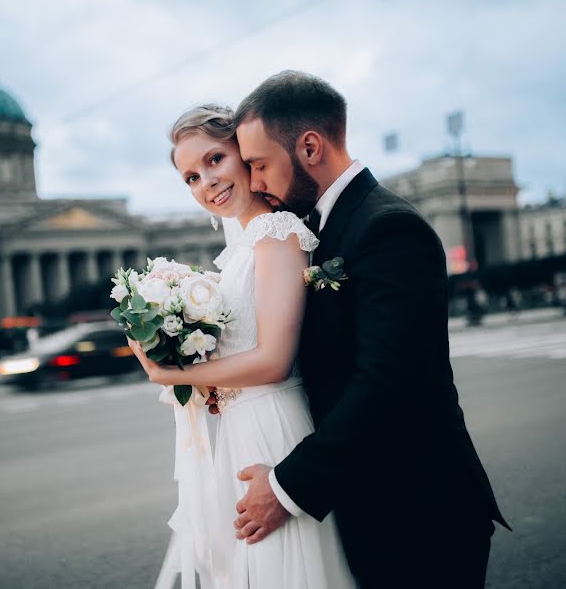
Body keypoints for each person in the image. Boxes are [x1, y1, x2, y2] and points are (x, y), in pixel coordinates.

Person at [227, 71, 508, 587]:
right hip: (367, 502)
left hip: (419, 513)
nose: (256, 182)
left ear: (309, 146)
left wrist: (286, 486)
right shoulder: (317, 227)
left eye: (260, 164)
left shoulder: (388, 228)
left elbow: (388, 384)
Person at [129, 104, 355, 588]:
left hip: (273, 426)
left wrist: (172, 375)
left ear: (244, 154)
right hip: (235, 430)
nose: (205, 182)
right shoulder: (238, 251)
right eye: (190, 177)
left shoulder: (277, 235)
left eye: (214, 160)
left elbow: (273, 360)